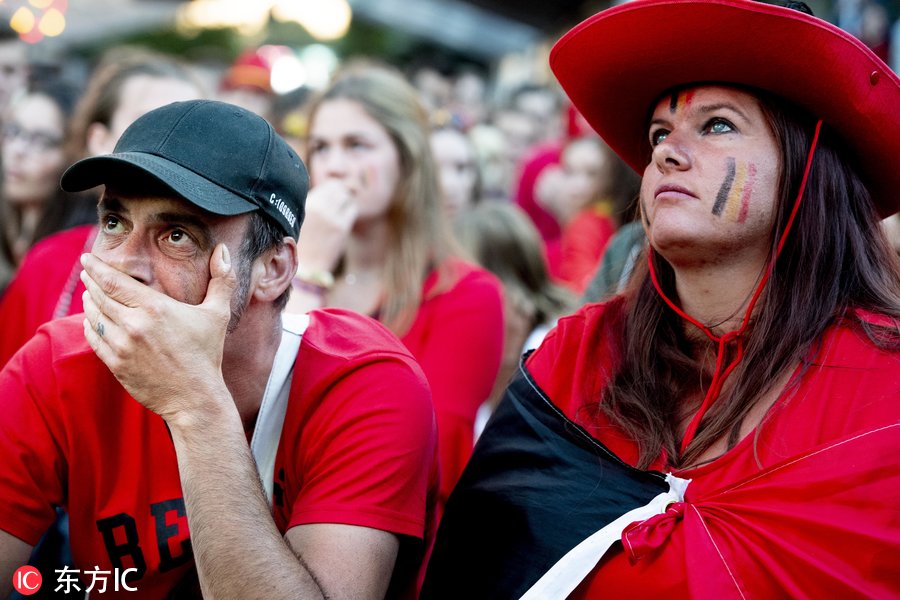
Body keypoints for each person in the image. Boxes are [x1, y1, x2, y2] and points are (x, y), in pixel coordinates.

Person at [423, 0, 900, 597]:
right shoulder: (573, 362)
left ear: (808, 163)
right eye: (658, 134)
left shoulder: (888, 393)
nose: (666, 154)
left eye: (718, 125)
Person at [0, 99, 439, 599]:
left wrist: (195, 407)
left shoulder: (365, 382)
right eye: (115, 223)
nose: (125, 265)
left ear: (273, 269)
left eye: (177, 235)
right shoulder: (56, 365)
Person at [285, 62, 504, 511]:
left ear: (407, 160)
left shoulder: (465, 294)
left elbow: (424, 456)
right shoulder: (291, 267)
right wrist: (306, 269)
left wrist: (310, 277)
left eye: (357, 145)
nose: (336, 167)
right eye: (321, 148)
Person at [0, 48, 205, 368]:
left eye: (192, 134)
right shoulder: (48, 263)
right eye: (149, 125)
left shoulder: (223, 270)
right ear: (99, 140)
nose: (173, 151)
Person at [0, 76, 80, 285]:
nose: (17, 150)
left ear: (73, 154)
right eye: (14, 131)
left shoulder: (76, 252)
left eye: (41, 140)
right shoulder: (10, 223)